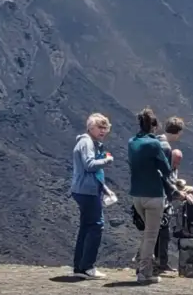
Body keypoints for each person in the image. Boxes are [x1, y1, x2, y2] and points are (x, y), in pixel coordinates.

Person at [128, 108, 176, 284]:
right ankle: (144, 273)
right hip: (153, 195)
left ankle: (141, 265)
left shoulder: (131, 142)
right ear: (154, 127)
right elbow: (166, 168)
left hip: (136, 195)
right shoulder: (154, 144)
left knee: (147, 234)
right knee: (151, 236)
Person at [71, 113, 115, 280]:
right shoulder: (87, 143)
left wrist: (104, 188)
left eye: (105, 127)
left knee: (86, 227)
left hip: (85, 189)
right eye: (100, 127)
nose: (103, 131)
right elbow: (89, 166)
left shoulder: (88, 142)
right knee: (96, 226)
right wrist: (107, 160)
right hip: (87, 191)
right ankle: (88, 266)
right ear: (90, 127)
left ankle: (79, 267)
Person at [152, 115, 186, 276]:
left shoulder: (154, 142)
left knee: (155, 231)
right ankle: (160, 263)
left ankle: (154, 261)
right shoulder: (165, 147)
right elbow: (164, 175)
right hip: (160, 197)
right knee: (162, 231)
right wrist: (174, 192)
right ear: (178, 133)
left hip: (152, 193)